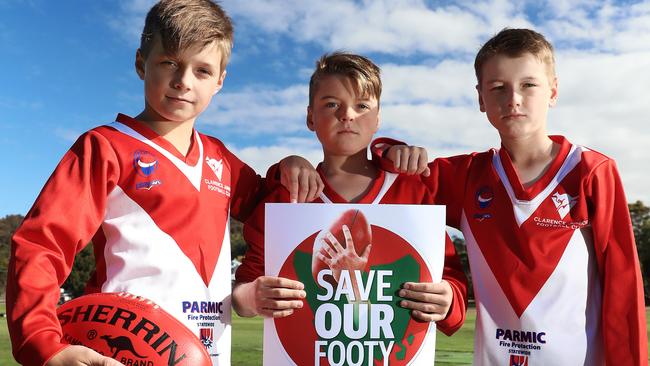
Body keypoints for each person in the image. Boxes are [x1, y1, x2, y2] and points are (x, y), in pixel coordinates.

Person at [6, 1, 322, 365]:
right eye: (169, 63)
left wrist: (290, 168)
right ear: (141, 63)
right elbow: (41, 243)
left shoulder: (220, 160)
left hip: (208, 354)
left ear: (220, 80)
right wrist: (44, 346)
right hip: (121, 353)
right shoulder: (107, 147)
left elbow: (274, 209)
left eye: (202, 71)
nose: (183, 82)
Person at [372, 28, 648, 365]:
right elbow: (391, 186)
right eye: (498, 88)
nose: (513, 98)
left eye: (528, 85)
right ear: (480, 98)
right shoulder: (467, 176)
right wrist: (391, 150)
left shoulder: (591, 170)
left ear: (553, 91)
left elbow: (623, 288)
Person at [232, 52, 468, 338]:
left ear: (378, 118)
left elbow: (451, 286)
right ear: (310, 117)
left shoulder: (411, 190)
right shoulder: (287, 197)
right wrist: (250, 297)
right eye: (332, 104)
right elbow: (243, 291)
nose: (347, 114)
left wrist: (446, 301)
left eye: (362, 105)